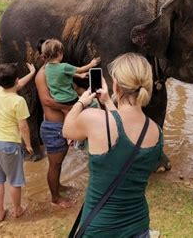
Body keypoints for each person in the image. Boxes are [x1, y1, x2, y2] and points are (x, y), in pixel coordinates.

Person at [63, 53, 163, 237]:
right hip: (138, 227)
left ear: (116, 84)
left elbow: (67, 130)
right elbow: (125, 136)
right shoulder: (156, 131)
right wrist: (108, 101)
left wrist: (81, 102)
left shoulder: (94, 119)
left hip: (100, 229)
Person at [0, 63, 36, 222]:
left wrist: (32, 73)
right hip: (9, 144)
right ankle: (17, 209)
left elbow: (18, 84)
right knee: (15, 180)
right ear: (16, 79)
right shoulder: (18, 101)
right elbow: (23, 127)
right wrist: (28, 145)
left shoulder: (0, 91)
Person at [35, 40, 75, 209]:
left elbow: (70, 88)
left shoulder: (56, 71)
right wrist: (70, 108)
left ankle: (58, 187)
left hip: (60, 126)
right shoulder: (42, 75)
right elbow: (46, 101)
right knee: (55, 164)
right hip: (53, 127)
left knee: (59, 161)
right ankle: (55, 198)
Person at [42, 39, 100, 115]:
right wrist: (91, 64)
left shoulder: (47, 67)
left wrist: (79, 76)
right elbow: (80, 69)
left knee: (68, 114)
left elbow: (61, 74)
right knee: (92, 103)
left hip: (58, 98)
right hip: (70, 98)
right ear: (59, 53)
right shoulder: (64, 66)